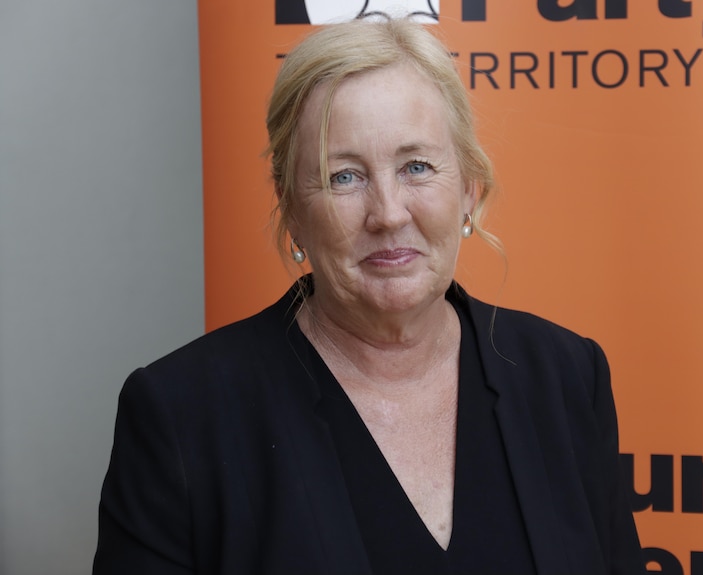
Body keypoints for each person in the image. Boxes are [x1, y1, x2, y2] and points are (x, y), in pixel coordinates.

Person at [93, 17, 646, 575]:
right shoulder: (181, 413)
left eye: (417, 167)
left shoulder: (568, 376)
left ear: (468, 192)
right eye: (344, 178)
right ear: (292, 211)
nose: (387, 213)